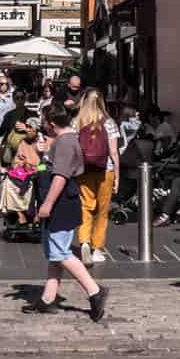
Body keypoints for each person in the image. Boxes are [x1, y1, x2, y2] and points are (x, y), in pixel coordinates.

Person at [34, 105, 108, 320]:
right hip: (64, 200)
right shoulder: (64, 140)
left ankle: (95, 291)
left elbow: (60, 176)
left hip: (62, 202)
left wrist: (47, 204)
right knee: (55, 252)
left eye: (44, 120)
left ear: (52, 123)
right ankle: (48, 299)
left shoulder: (65, 143)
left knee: (60, 251)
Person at [74, 89, 119, 265]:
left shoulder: (77, 122)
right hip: (105, 170)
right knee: (102, 211)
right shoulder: (109, 123)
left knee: (84, 207)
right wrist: (118, 176)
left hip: (83, 170)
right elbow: (114, 152)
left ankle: (84, 241)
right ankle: (97, 249)